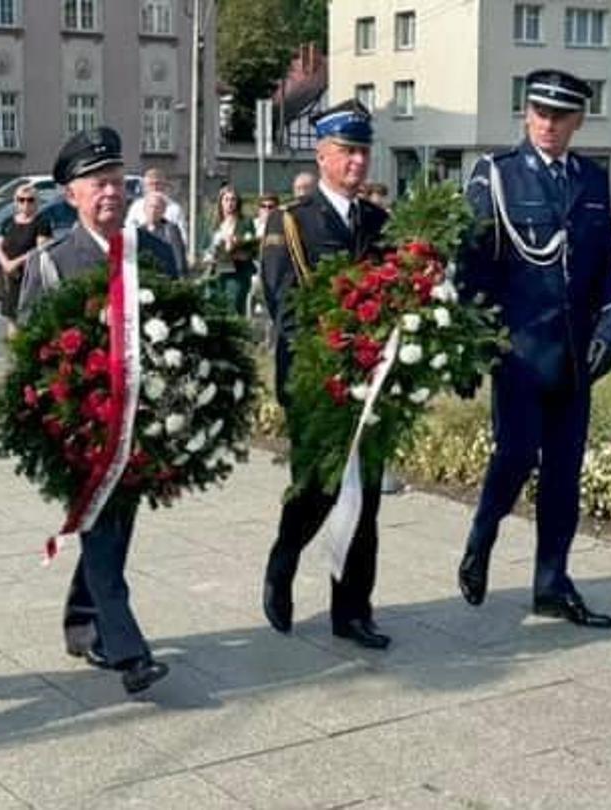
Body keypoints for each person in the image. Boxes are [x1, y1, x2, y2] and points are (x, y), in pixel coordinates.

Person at [455, 69, 611, 629]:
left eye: (560, 116)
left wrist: (609, 327)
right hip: (520, 353)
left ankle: (552, 583)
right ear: (526, 114)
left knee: (564, 475)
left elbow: (608, 264)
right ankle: (482, 535)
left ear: (578, 121)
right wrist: (472, 345)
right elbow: (472, 266)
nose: (548, 125)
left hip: (574, 356)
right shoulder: (498, 175)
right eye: (540, 113)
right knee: (516, 456)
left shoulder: (591, 180)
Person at [18, 126, 181, 695]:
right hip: (83, 429)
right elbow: (31, 349)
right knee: (104, 530)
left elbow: (184, 329)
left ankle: (82, 622)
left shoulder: (154, 252)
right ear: (71, 196)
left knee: (113, 528)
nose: (109, 192)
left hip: (142, 422)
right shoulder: (54, 261)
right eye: (96, 184)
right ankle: (129, 650)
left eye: (116, 181)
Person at [258, 100, 395, 650]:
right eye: (347, 151)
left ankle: (353, 610)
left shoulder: (379, 223)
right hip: (316, 380)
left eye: (363, 151)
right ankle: (284, 557)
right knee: (318, 487)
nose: (357, 161)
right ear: (321, 156)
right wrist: (336, 355)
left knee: (366, 498)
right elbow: (284, 303)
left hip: (374, 382)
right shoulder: (291, 221)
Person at [0, 185, 53, 329]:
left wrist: (15, 263)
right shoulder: (8, 222)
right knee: (11, 319)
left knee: (30, 319)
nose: (25, 203)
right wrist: (6, 264)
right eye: (21, 200)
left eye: (30, 200)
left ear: (37, 202)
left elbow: (40, 249)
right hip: (10, 278)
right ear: (16, 201)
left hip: (29, 277)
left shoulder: (42, 223)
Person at [205, 184, 254, 316]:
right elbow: (205, 249)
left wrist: (237, 247)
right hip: (217, 273)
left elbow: (251, 248)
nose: (230, 203)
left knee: (234, 307)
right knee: (215, 308)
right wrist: (210, 257)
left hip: (238, 273)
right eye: (226, 199)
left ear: (237, 202)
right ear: (221, 202)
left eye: (233, 199)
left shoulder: (245, 223)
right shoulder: (213, 224)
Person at [122, 167, 185, 244]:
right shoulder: (136, 207)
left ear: (164, 185)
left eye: (157, 184)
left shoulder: (174, 209)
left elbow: (182, 238)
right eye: (151, 184)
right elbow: (128, 232)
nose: (155, 188)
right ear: (145, 187)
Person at [140, 191, 188, 273]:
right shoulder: (140, 231)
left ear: (164, 210)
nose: (153, 210)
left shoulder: (171, 230)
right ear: (144, 209)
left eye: (157, 207)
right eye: (150, 206)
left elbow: (179, 257)